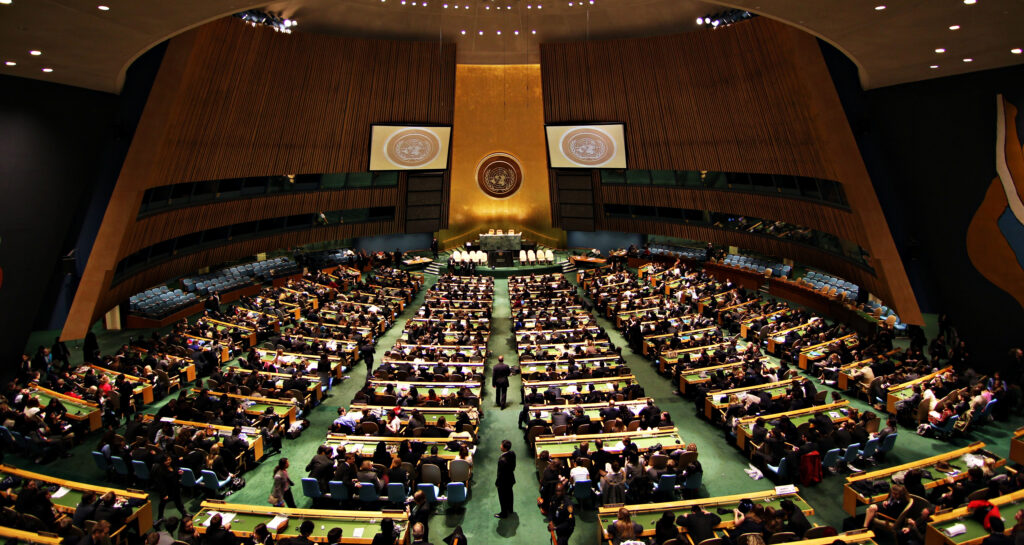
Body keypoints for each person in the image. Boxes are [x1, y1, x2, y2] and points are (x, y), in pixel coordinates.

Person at [153, 454, 188, 521]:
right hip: (167, 490)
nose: (168, 461)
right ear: (163, 461)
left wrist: (179, 472)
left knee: (178, 502)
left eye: (169, 459)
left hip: (175, 488)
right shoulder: (160, 470)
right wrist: (164, 494)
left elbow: (176, 470)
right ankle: (160, 517)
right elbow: (160, 484)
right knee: (163, 503)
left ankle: (184, 514)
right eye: (166, 460)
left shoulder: (172, 465)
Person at [495, 439, 516, 518]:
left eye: (501, 445)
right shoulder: (512, 453)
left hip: (503, 482)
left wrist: (497, 483)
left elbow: (500, 474)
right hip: (510, 479)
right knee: (510, 494)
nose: (500, 446)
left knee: (502, 498)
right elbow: (513, 467)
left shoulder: (502, 460)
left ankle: (504, 513)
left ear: (504, 448)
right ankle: (510, 509)